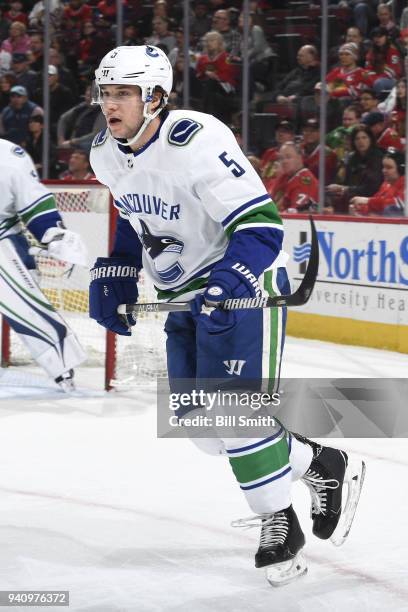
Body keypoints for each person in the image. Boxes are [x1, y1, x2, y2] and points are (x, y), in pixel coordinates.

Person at [88, 44, 364, 585]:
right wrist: (117, 268)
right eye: (105, 92)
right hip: (188, 293)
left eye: (124, 93)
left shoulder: (197, 139)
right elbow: (131, 213)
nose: (110, 104)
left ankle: (279, 524)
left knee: (234, 418)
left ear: (156, 98)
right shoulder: (105, 153)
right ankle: (324, 466)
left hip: (246, 283)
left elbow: (261, 226)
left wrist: (234, 276)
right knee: (200, 428)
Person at [0, 137, 88, 390]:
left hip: (4, 248)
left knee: (28, 311)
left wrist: (52, 232)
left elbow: (33, 201)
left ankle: (62, 367)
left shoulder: (8, 155)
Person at [326, 124, 384, 213]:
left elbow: (371, 188)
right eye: (357, 139)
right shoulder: (352, 158)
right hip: (352, 201)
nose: (361, 142)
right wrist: (339, 189)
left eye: (364, 138)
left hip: (371, 203)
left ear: (371, 139)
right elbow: (347, 182)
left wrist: (344, 189)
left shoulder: (378, 158)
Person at [350, 147, 405, 215]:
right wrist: (360, 208)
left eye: (389, 167)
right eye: (383, 167)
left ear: (401, 169)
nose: (384, 171)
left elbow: (398, 204)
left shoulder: (405, 185)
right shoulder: (386, 184)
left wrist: (368, 201)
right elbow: (375, 204)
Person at [270, 142, 319, 212]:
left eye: (288, 157)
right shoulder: (284, 177)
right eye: (281, 158)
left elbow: (296, 213)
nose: (284, 161)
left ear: (299, 158)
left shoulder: (305, 181)